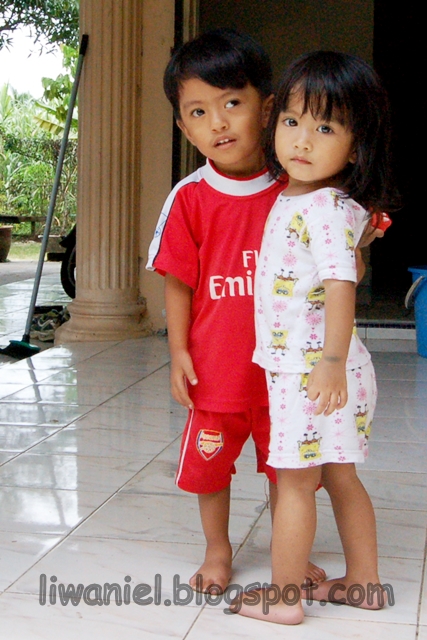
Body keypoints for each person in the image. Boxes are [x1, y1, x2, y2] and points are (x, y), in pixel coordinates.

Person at [146, 30, 327, 594]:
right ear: (184, 126)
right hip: (217, 369)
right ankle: (217, 550)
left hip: (286, 371)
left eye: (232, 103)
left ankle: (286, 551)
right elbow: (179, 282)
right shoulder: (189, 197)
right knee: (210, 469)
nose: (218, 123)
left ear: (266, 109)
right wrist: (179, 351)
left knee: (287, 469)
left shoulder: (298, 189)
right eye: (199, 112)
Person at [234, 51, 399, 624]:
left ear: (355, 148)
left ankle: (284, 600)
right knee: (340, 477)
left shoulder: (323, 207)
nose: (302, 139)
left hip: (312, 373)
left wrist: (328, 360)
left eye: (325, 128)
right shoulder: (315, 199)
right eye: (292, 121)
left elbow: (341, 284)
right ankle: (365, 583)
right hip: (326, 369)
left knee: (296, 485)